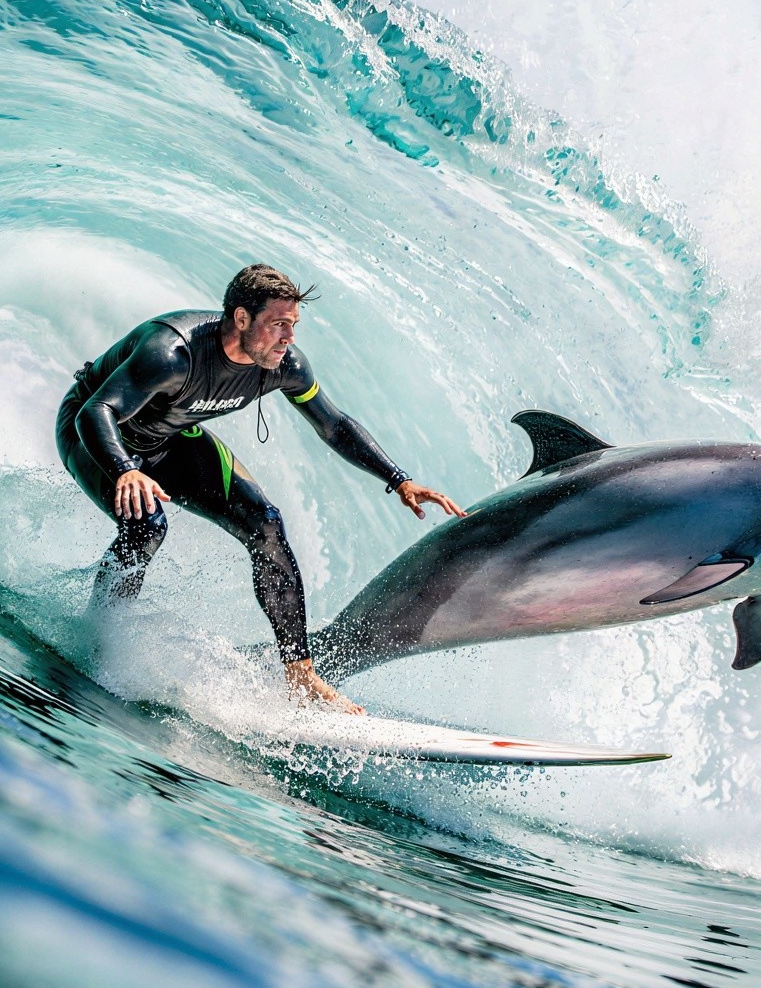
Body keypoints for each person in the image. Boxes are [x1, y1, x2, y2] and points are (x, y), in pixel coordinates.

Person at [55, 264, 464, 712]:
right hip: (98, 435)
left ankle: (300, 674)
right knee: (147, 525)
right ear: (242, 319)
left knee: (265, 524)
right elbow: (96, 413)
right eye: (279, 324)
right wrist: (125, 471)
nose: (289, 337)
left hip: (170, 439)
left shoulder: (283, 364)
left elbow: (334, 425)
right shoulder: (173, 353)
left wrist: (399, 480)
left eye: (294, 325)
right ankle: (100, 637)